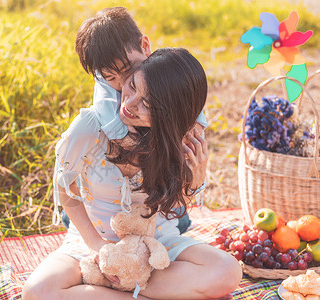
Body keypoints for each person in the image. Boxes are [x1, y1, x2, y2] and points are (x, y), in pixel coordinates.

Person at [22, 47, 242, 300]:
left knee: (227, 271)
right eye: (133, 86)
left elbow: (176, 207)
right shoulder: (90, 126)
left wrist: (196, 177)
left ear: (169, 116)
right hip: (94, 242)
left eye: (146, 104)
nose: (128, 104)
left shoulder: (180, 141)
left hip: (157, 244)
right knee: (36, 292)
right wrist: (98, 246)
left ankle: (115, 290)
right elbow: (63, 186)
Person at [60, 7, 208, 233]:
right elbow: (105, 109)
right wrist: (123, 137)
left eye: (128, 70)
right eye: (110, 77)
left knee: (175, 212)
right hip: (99, 211)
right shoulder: (106, 95)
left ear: (145, 46)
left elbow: (185, 99)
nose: (121, 82)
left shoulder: (163, 71)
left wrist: (193, 123)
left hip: (156, 213)